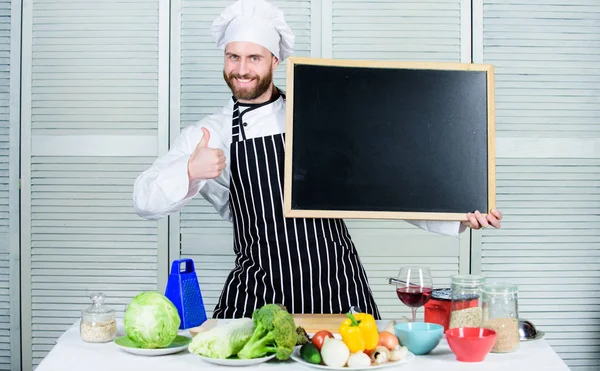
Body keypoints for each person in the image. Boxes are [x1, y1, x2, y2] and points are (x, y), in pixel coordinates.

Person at [132, 0, 503, 320]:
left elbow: (382, 188)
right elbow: (144, 199)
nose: (242, 68)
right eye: (234, 56)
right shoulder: (209, 133)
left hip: (337, 285)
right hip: (259, 290)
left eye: (254, 57)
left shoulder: (317, 113)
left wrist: (458, 213)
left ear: (275, 59)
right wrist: (188, 170)